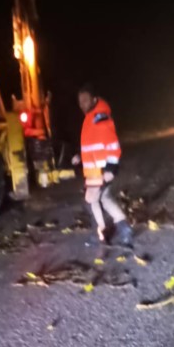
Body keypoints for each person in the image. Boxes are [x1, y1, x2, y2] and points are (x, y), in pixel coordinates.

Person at [72, 84, 133, 247]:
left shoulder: (100, 118)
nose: (82, 104)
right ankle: (124, 229)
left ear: (94, 99)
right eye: (80, 101)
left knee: (91, 200)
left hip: (101, 171)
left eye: (85, 100)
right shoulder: (90, 117)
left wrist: (111, 168)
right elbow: (93, 145)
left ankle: (100, 234)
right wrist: (80, 156)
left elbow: (112, 145)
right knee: (104, 199)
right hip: (95, 172)